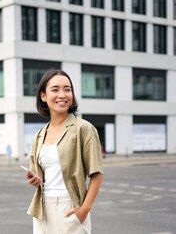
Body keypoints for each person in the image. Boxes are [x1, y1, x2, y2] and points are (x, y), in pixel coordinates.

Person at [25, 69, 104, 234]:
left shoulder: (83, 128)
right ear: (43, 96)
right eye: (55, 89)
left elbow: (96, 174)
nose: (62, 94)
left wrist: (84, 210)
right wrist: (34, 180)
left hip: (70, 207)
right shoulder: (39, 135)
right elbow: (41, 176)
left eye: (67, 89)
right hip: (42, 209)